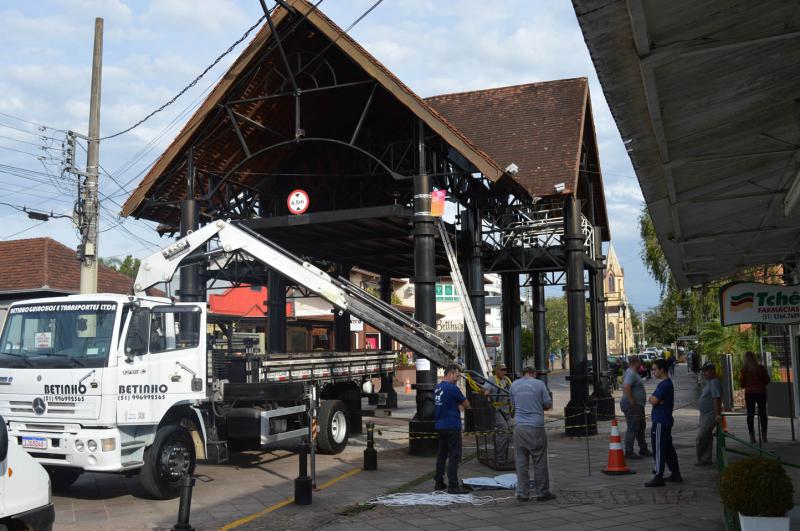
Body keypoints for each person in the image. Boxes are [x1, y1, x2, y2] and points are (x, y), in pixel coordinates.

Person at [509, 366, 556, 502]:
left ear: (522, 374)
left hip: (519, 427)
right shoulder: (539, 384)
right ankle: (542, 492)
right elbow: (547, 404)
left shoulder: (514, 385)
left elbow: (513, 405)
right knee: (539, 460)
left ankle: (523, 493)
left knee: (521, 461)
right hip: (536, 427)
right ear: (534, 373)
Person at [433, 364, 470, 494]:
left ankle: (439, 482)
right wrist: (460, 404)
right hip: (452, 425)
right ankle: (453, 485)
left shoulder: (438, 387)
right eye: (457, 375)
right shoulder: (453, 388)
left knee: (442, 455)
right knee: (454, 456)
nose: (458, 378)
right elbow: (466, 405)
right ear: (451, 374)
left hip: (440, 425)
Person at [645, 358, 682, 487]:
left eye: (655, 369)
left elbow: (653, 400)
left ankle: (658, 475)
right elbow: (655, 399)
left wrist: (653, 398)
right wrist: (655, 399)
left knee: (659, 448)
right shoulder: (664, 384)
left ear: (662, 370)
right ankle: (675, 473)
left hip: (661, 421)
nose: (653, 372)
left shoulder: (664, 384)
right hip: (664, 420)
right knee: (668, 449)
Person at [482, 362, 513, 464]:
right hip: (497, 409)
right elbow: (485, 387)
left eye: (505, 370)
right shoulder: (492, 379)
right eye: (502, 369)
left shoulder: (507, 380)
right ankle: (499, 457)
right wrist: (485, 391)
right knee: (503, 430)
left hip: (507, 410)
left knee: (508, 432)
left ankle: (504, 457)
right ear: (497, 370)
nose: (504, 372)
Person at [621, 355, 651, 459]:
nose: (641, 364)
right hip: (633, 405)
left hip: (637, 405)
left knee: (640, 427)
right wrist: (632, 401)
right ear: (636, 362)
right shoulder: (631, 373)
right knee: (633, 428)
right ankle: (629, 452)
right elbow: (626, 386)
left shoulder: (630, 372)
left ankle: (643, 449)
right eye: (640, 362)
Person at [740, 351, 770, 444]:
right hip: (761, 393)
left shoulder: (744, 370)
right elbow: (767, 380)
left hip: (750, 393)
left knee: (750, 414)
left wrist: (748, 384)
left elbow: (741, 384)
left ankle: (752, 437)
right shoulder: (761, 368)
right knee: (763, 413)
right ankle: (764, 436)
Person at [695, 362, 722, 465]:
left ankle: (701, 457)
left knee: (701, 437)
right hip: (704, 414)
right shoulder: (709, 382)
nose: (704, 373)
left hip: (710, 414)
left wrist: (717, 414)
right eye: (703, 371)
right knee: (707, 437)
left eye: (706, 371)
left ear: (712, 371)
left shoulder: (714, 382)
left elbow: (717, 398)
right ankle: (706, 458)